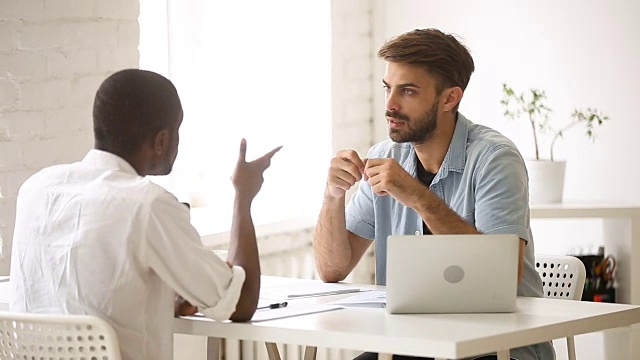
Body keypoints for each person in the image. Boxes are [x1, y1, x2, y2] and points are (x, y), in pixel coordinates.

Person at [313, 29, 555, 360]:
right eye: (388, 89)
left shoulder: (495, 159)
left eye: (407, 91)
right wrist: (332, 195)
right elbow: (331, 270)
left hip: (497, 348)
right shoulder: (387, 156)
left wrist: (418, 196)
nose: (390, 105)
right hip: (412, 344)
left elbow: (499, 276)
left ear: (449, 98)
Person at [9, 69, 281, 360]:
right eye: (178, 130)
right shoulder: (147, 203)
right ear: (161, 140)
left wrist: (164, 296)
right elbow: (240, 303)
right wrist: (243, 196)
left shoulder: (36, 190)